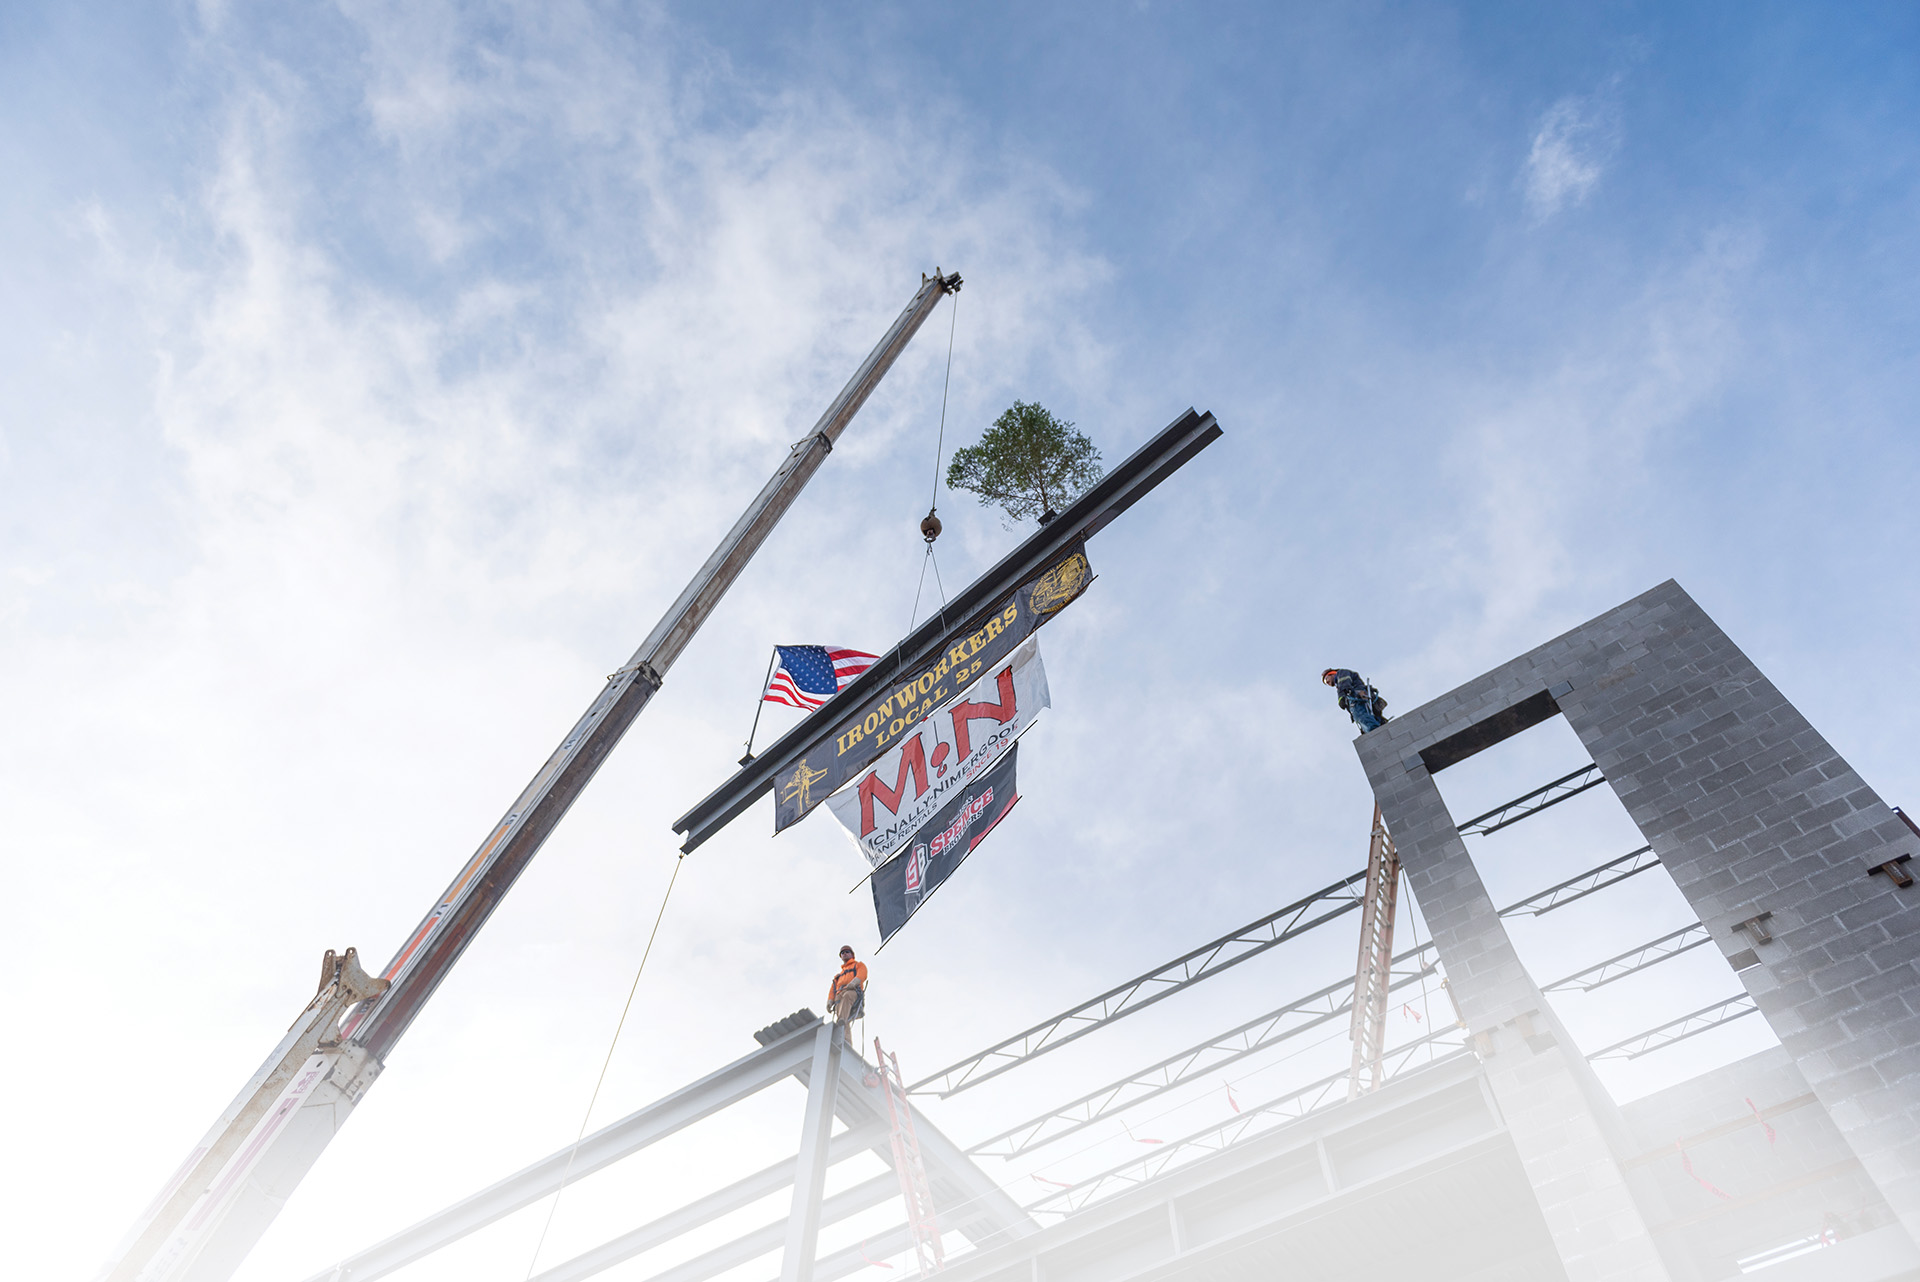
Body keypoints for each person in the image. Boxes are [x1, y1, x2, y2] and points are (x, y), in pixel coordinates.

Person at [1322, 668, 1388, 733]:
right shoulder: (1341, 681)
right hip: (1361, 699)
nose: (1327, 682)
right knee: (1367, 717)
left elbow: (1344, 686)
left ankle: (1375, 732)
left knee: (1362, 717)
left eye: (1326, 679)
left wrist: (1341, 698)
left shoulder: (1341, 673)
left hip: (1357, 699)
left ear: (1332, 674)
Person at [828, 945, 867, 1028]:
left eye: (847, 952)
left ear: (852, 955)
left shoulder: (858, 965)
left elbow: (862, 974)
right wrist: (830, 1001)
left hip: (853, 991)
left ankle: (841, 1020)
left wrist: (854, 982)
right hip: (839, 997)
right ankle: (845, 1038)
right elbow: (832, 990)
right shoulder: (838, 977)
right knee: (844, 1023)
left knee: (847, 996)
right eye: (842, 953)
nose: (844, 954)